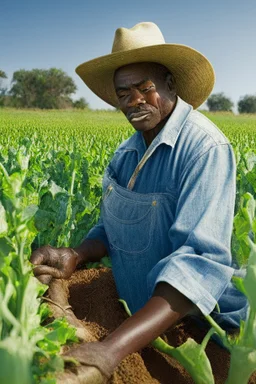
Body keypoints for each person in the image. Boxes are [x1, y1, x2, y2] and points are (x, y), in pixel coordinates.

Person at [31, 22, 248, 380]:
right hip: (141, 316)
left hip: (206, 329)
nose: (135, 101)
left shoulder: (204, 149)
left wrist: (110, 348)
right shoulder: (126, 153)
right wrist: (77, 254)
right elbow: (113, 225)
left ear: (170, 85)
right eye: (124, 93)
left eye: (145, 88)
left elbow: (197, 265)